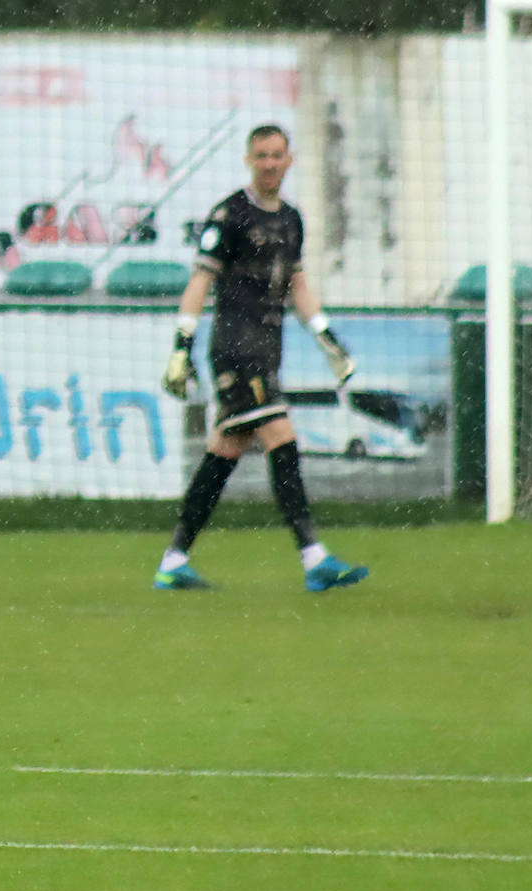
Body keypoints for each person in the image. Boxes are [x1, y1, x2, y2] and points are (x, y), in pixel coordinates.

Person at [156, 124, 368, 593]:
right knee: (281, 437)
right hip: (235, 349)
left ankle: (173, 559)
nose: (270, 163)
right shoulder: (229, 214)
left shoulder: (291, 219)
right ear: (249, 161)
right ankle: (314, 558)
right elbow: (199, 282)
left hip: (267, 349)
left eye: (277, 155)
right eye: (261, 155)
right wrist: (180, 348)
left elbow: (298, 287)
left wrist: (327, 339)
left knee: (224, 452)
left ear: (289, 160)